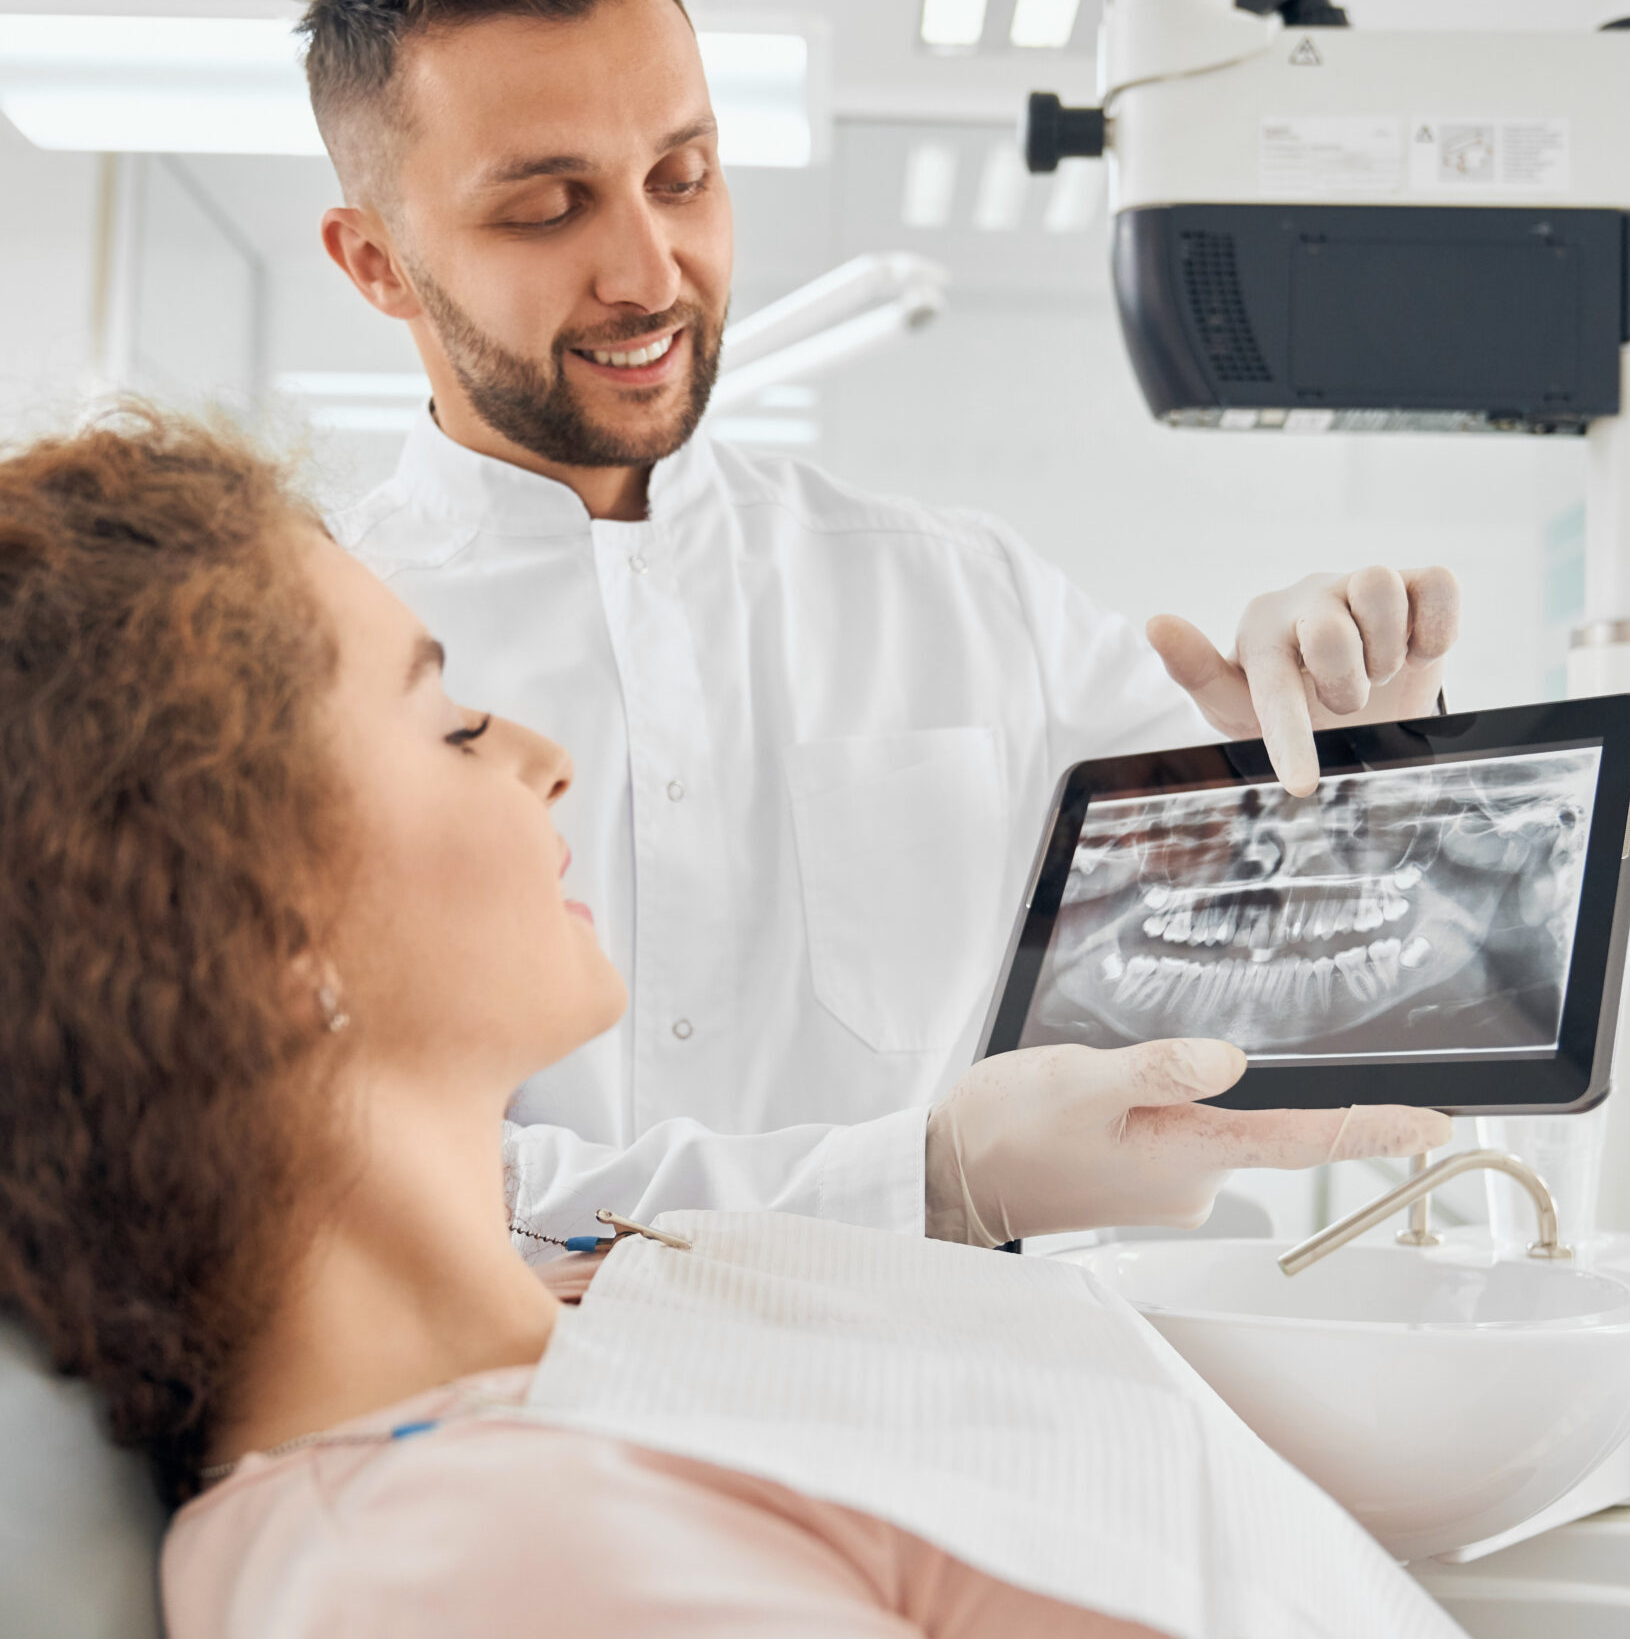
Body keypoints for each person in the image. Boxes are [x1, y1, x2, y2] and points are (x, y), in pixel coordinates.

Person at [0, 412, 1457, 1637]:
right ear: (256, 932)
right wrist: (939, 1175)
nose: (549, 759)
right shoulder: (479, 1564)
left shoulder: (618, 1303)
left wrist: (1326, 807)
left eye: (682, 184)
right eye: (453, 726)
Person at [300, 0, 1463, 1248]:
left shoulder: (966, 596)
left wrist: (1358, 777)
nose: (650, 272)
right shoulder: (298, 662)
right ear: (376, 261)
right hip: (508, 1386)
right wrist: (920, 1182)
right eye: (546, 209)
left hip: (950, 1379)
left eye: (682, 178)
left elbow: (1303, 990)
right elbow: (331, 1170)